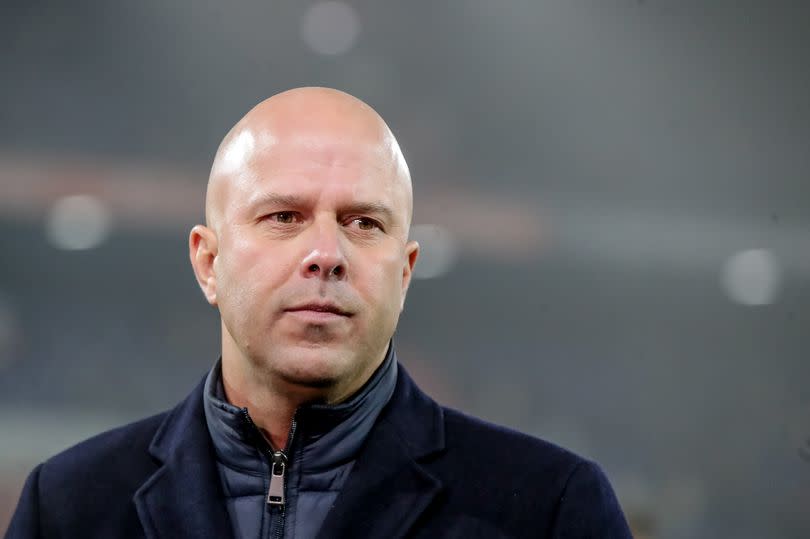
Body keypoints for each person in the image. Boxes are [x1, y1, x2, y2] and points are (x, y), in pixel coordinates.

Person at [5, 87, 632, 538]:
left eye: (363, 223)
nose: (326, 254)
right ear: (207, 262)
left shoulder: (549, 508)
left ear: (405, 271)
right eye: (284, 217)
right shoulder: (69, 505)